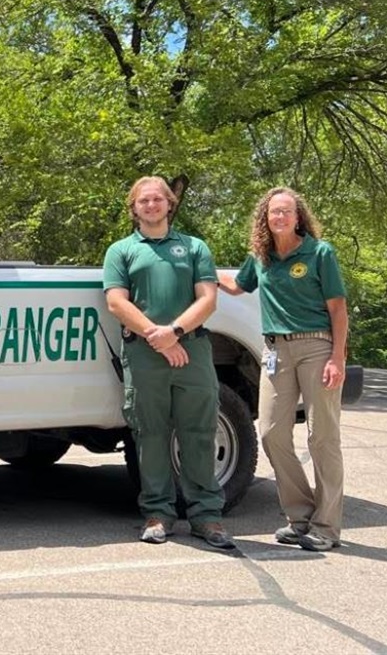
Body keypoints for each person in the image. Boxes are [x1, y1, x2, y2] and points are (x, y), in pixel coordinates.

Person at [102, 176, 233, 549]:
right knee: (150, 435)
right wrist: (157, 338)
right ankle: (158, 514)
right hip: (144, 354)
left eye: (158, 199)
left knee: (199, 434)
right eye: (144, 200)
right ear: (134, 207)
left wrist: (174, 331)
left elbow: (208, 299)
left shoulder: (193, 248)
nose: (151, 204)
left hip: (191, 350)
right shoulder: (121, 251)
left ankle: (207, 517)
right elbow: (116, 302)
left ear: (169, 204)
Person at [218, 187, 348, 552]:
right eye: (274, 212)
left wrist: (337, 358)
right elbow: (237, 285)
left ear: (298, 216)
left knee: (323, 437)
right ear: (265, 217)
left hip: (316, 346)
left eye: (286, 212)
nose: (280, 217)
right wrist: (204, 274)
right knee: (272, 433)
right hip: (275, 349)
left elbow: (338, 309)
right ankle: (300, 515)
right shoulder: (261, 256)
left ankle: (327, 527)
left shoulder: (320, 253)